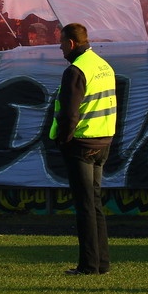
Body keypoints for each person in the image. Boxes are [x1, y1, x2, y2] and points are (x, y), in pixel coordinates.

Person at [50, 22, 118, 276]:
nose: (59, 48)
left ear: (70, 43)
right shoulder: (103, 66)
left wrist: (63, 140)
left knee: (84, 206)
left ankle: (88, 265)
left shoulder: (76, 70)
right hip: (103, 140)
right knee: (95, 203)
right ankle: (102, 263)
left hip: (81, 143)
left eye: (61, 43)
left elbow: (69, 113)